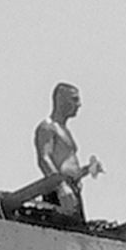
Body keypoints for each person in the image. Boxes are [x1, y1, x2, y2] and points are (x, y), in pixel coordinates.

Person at [33, 84, 102, 223]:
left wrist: (87, 169)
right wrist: (61, 186)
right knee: (62, 228)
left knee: (77, 228)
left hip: (72, 188)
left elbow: (65, 166)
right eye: (74, 99)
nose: (79, 104)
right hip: (59, 191)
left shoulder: (65, 130)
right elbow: (44, 159)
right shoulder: (47, 127)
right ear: (61, 100)